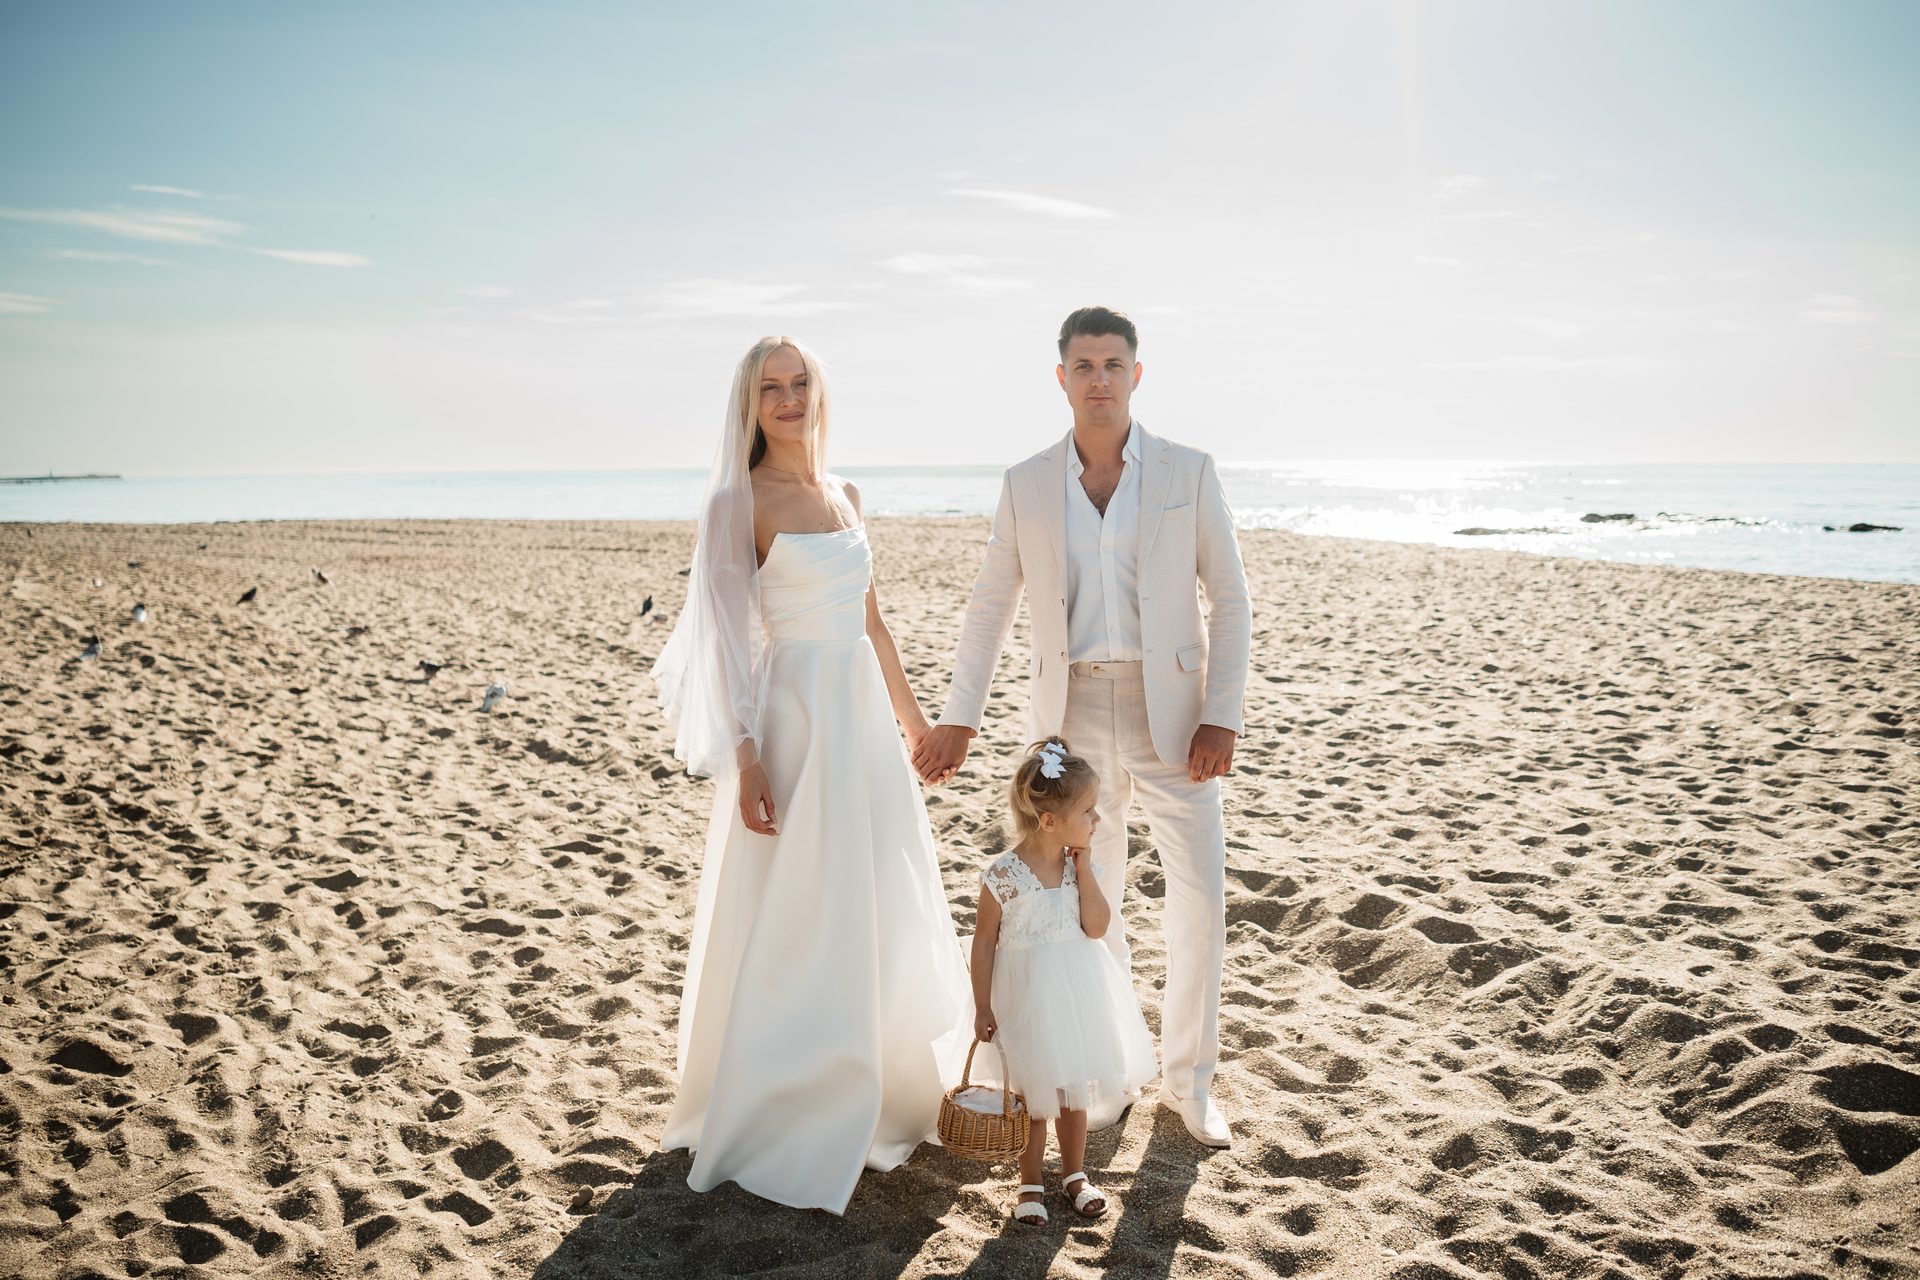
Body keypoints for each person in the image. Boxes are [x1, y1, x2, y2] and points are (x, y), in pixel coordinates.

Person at [915, 306, 1251, 1148]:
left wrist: (1221, 713)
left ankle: (1192, 1083)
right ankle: (1108, 1072)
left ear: (1137, 375)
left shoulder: (1188, 471)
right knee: (1080, 910)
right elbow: (992, 605)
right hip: (1068, 724)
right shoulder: (1027, 482)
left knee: (1200, 899)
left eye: (1113, 364)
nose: (1098, 377)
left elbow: (1232, 600)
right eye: (1083, 364)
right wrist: (961, 717)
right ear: (1060, 378)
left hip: (1173, 719)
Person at [652, 335, 969, 1214]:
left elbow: (873, 625)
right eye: (770, 389)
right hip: (795, 720)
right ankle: (791, 1092)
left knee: (878, 889)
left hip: (863, 719)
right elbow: (722, 644)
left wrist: (917, 727)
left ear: (818, 393)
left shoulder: (846, 494)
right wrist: (747, 756)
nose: (788, 400)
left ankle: (882, 1080)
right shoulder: (735, 502)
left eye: (800, 384)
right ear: (749, 406)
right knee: (802, 906)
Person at [970, 738, 1157, 1225]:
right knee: (1035, 1097)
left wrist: (1086, 869)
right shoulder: (1003, 876)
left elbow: (1096, 927)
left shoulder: (1078, 867)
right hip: (1026, 999)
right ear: (1049, 821)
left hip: (1076, 995)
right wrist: (982, 1007)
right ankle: (1030, 1183)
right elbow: (984, 944)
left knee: (1074, 1091)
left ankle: (1074, 1174)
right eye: (1089, 812)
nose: (1097, 821)